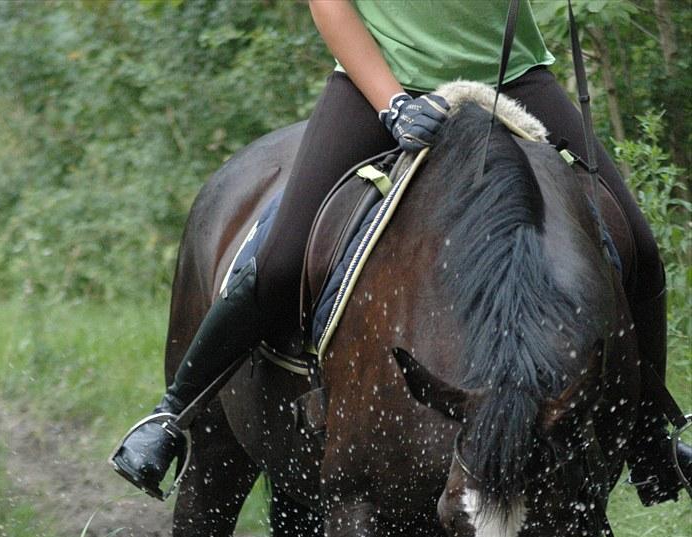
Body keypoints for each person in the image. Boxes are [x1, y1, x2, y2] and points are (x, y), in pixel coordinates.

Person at [111, 0, 690, 504]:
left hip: (512, 75)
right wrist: (392, 104)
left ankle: (647, 439)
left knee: (635, 242)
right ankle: (172, 413)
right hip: (381, 85)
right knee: (283, 259)